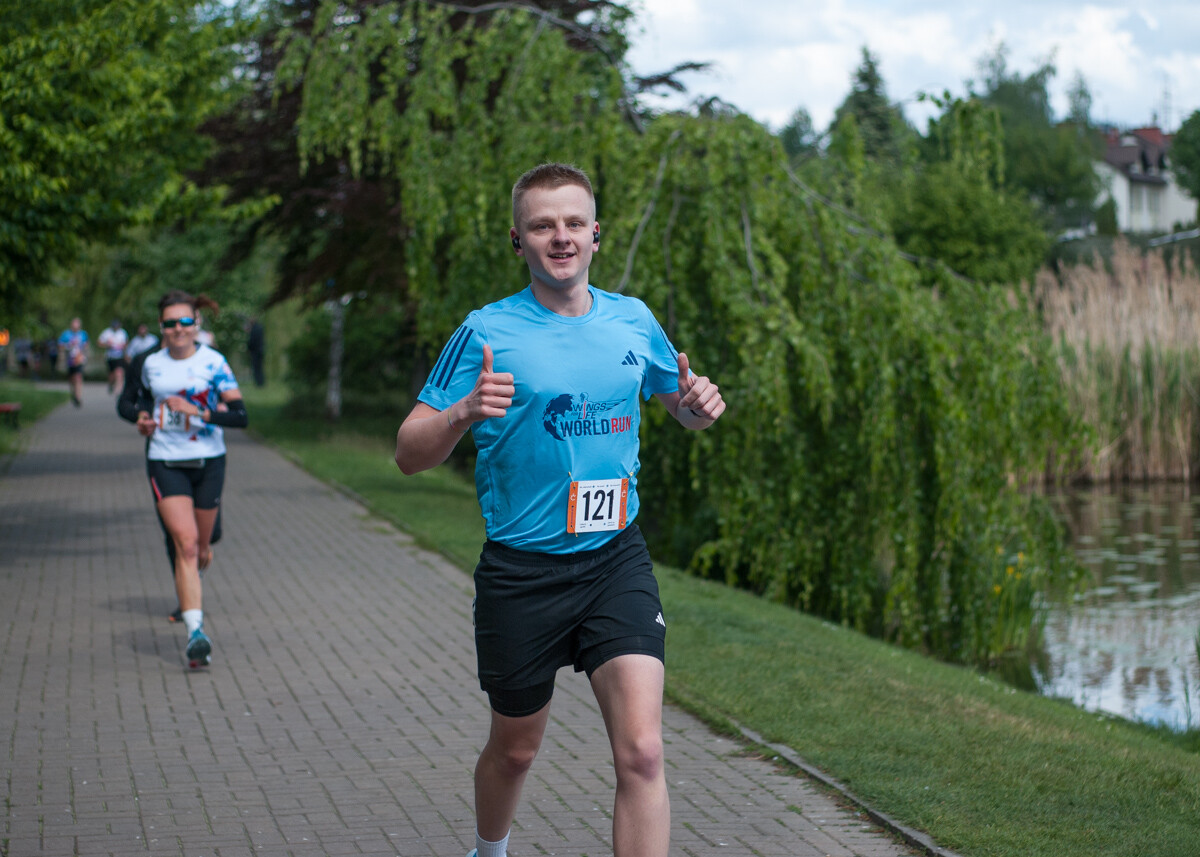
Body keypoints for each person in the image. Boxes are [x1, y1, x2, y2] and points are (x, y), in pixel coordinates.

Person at [394, 163, 726, 857]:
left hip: (615, 561)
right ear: (518, 240)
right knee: (516, 750)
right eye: (543, 226)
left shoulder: (632, 319)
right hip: (523, 573)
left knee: (642, 752)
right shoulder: (487, 331)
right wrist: (461, 412)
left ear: (596, 234)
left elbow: (681, 405)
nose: (561, 237)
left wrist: (698, 407)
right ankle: (490, 850)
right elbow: (408, 452)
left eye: (574, 223)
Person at [117, 291, 248, 669]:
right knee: (185, 546)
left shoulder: (214, 362)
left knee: (202, 546)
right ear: (161, 326)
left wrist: (199, 412)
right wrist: (141, 418)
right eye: (171, 323)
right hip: (165, 460)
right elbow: (126, 403)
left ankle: (202, 558)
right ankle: (195, 634)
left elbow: (240, 416)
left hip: (209, 461)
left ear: (197, 323)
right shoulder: (147, 362)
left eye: (185, 322)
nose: (178, 329)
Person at [58, 317, 89, 406]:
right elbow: (60, 345)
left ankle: (78, 397)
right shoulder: (66, 334)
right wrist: (68, 345)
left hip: (79, 359)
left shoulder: (83, 334)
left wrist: (83, 349)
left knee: (78, 377)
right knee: (72, 378)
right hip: (69, 360)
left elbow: (86, 345)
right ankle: (73, 393)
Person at [97, 318, 129, 393]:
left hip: (119, 356)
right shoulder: (107, 332)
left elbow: (126, 343)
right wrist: (107, 345)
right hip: (110, 357)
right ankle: (111, 384)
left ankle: (119, 390)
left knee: (119, 372)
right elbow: (99, 343)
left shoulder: (122, 332)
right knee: (112, 375)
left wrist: (123, 346)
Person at [246, 317, 265, 387]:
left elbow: (252, 341)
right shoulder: (260, 328)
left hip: (255, 351)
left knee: (256, 367)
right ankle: (261, 381)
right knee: (260, 367)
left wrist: (249, 349)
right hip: (260, 350)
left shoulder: (253, 329)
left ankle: (258, 382)